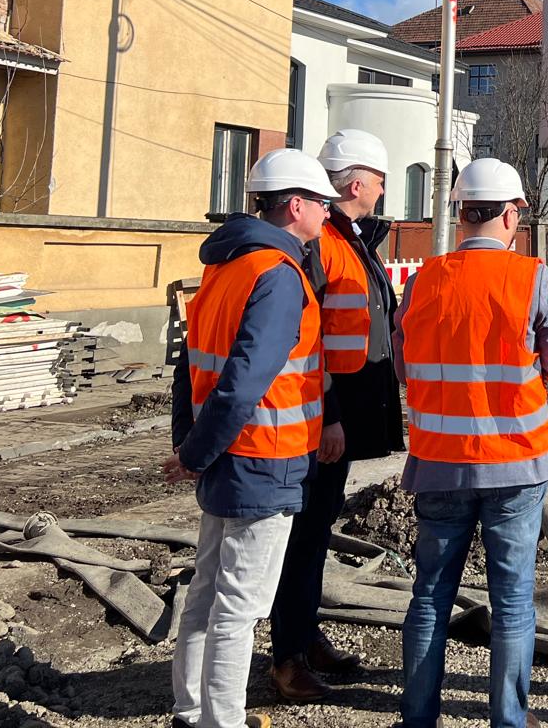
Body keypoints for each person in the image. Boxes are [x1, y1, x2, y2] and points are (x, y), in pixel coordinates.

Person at [394, 158, 548, 728]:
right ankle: (508, 722)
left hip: (438, 463)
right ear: (511, 213)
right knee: (513, 602)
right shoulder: (530, 277)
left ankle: (418, 718)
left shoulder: (423, 279)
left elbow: (404, 365)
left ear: (459, 212)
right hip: (514, 465)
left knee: (429, 597)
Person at [166, 148, 337, 728]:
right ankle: (223, 720)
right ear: (295, 206)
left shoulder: (226, 266)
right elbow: (243, 384)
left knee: (207, 593)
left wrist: (192, 448)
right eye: (321, 204)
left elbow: (190, 365)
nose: (326, 215)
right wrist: (196, 452)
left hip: (227, 458)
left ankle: (191, 712)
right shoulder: (279, 275)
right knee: (240, 606)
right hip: (265, 460)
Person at [268, 128, 404, 700]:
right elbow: (312, 338)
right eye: (378, 180)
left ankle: (305, 633)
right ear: (356, 182)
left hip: (346, 407)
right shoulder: (325, 243)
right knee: (303, 531)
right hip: (327, 410)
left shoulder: (350, 239)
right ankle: (288, 655)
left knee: (318, 526)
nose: (381, 190)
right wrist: (327, 416)